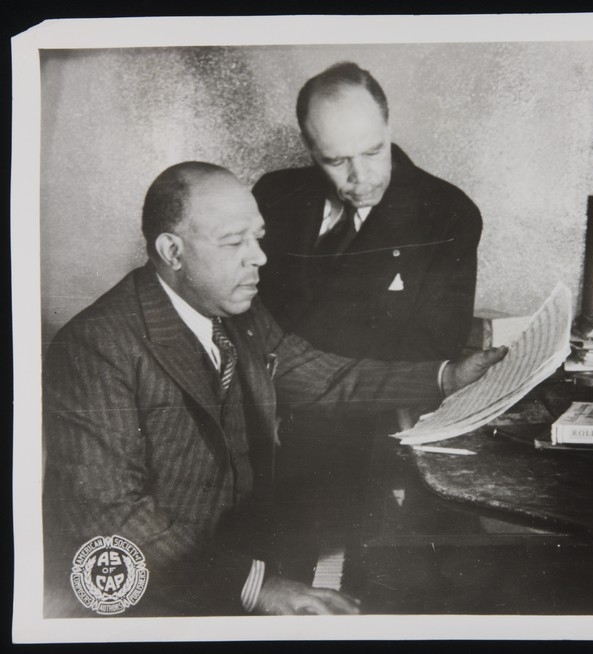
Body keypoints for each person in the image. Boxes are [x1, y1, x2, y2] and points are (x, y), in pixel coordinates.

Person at [41, 162, 505, 617]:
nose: (260, 257)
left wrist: (448, 377)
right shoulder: (95, 346)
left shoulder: (234, 312)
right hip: (165, 600)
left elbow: (323, 376)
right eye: (233, 242)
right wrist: (255, 587)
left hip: (244, 556)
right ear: (172, 251)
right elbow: (108, 522)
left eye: (258, 237)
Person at [253, 61, 481, 363]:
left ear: (388, 127)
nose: (360, 176)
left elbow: (431, 355)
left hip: (374, 407)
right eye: (336, 161)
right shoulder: (273, 195)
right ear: (308, 145)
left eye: (373, 152)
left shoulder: (447, 214)